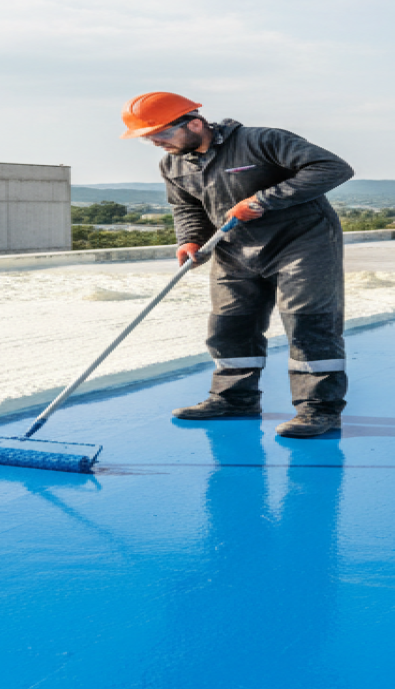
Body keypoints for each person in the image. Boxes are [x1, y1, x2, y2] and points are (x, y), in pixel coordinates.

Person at [120, 91, 355, 438]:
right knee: (229, 325)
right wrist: (190, 240)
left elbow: (333, 168)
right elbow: (187, 207)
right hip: (234, 249)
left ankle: (317, 411)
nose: (155, 142)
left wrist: (263, 200)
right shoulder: (173, 164)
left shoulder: (262, 141)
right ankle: (234, 399)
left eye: (162, 133)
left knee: (308, 326)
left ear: (195, 123)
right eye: (148, 137)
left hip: (302, 243)